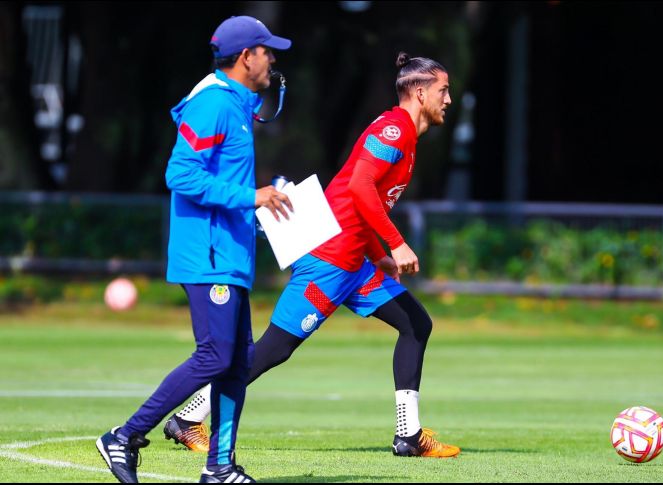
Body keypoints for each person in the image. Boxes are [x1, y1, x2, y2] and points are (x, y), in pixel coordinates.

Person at [163, 52, 460, 459]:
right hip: (330, 261)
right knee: (274, 348)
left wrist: (378, 252)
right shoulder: (394, 130)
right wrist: (395, 243)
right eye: (443, 90)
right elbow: (359, 187)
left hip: (355, 263)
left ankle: (408, 435)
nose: (448, 99)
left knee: (415, 324)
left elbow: (361, 202)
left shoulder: (404, 135)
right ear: (421, 91)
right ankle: (188, 417)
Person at [95, 16, 293, 483]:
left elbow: (221, 181)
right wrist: (251, 197)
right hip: (207, 256)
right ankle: (123, 437)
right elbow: (180, 174)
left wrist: (263, 211)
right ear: (247, 57)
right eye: (267, 51)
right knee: (215, 356)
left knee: (237, 361)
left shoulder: (237, 106)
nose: (273, 59)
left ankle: (220, 467)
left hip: (229, 254)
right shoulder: (213, 105)